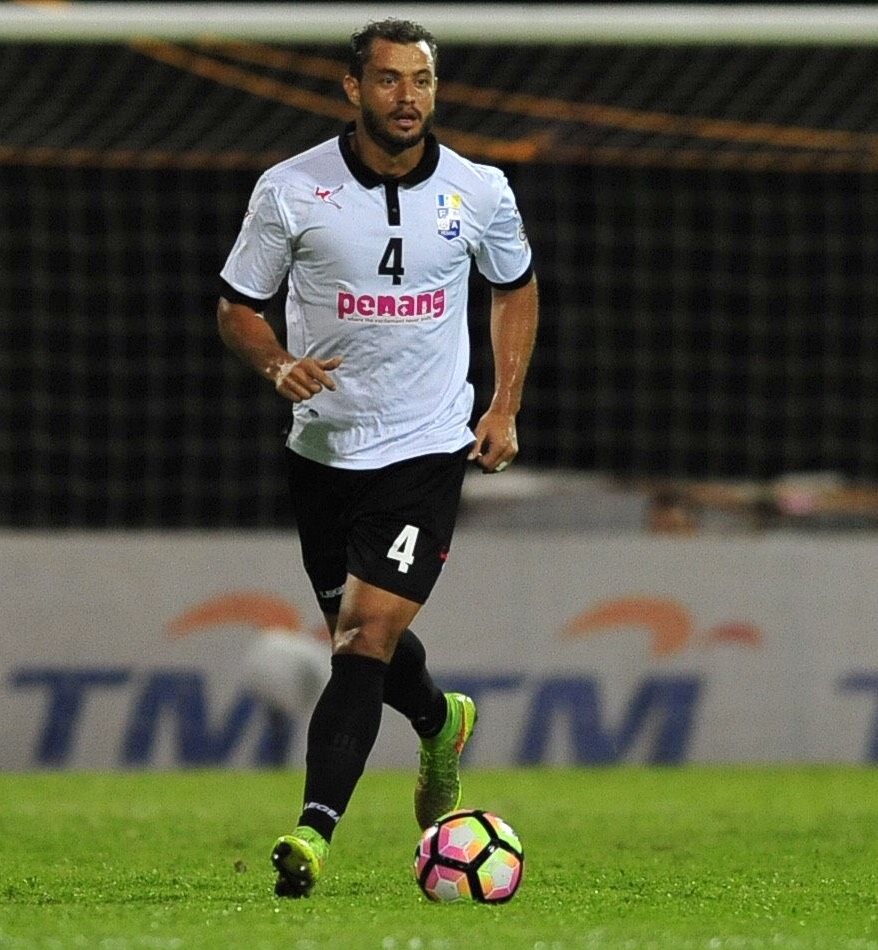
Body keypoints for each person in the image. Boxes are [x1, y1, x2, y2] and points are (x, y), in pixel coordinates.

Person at [215, 18, 538, 898]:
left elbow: (515, 287)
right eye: (390, 81)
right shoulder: (290, 190)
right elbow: (238, 306)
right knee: (364, 642)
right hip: (322, 450)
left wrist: (503, 404)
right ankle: (439, 722)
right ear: (352, 89)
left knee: (362, 639)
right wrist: (277, 361)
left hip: (427, 447)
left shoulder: (480, 190)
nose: (408, 99)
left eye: (422, 82)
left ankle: (313, 834)